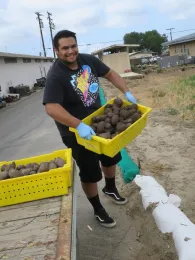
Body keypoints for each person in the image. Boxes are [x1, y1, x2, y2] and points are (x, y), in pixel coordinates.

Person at [43, 30, 137, 228]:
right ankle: (97, 209)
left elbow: (110, 73)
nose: (71, 51)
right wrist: (78, 124)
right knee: (90, 172)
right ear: (56, 50)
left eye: (73, 46)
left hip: (98, 120)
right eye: (65, 48)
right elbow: (51, 107)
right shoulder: (56, 75)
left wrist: (126, 91)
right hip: (75, 132)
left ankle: (110, 188)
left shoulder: (88, 61)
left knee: (110, 157)